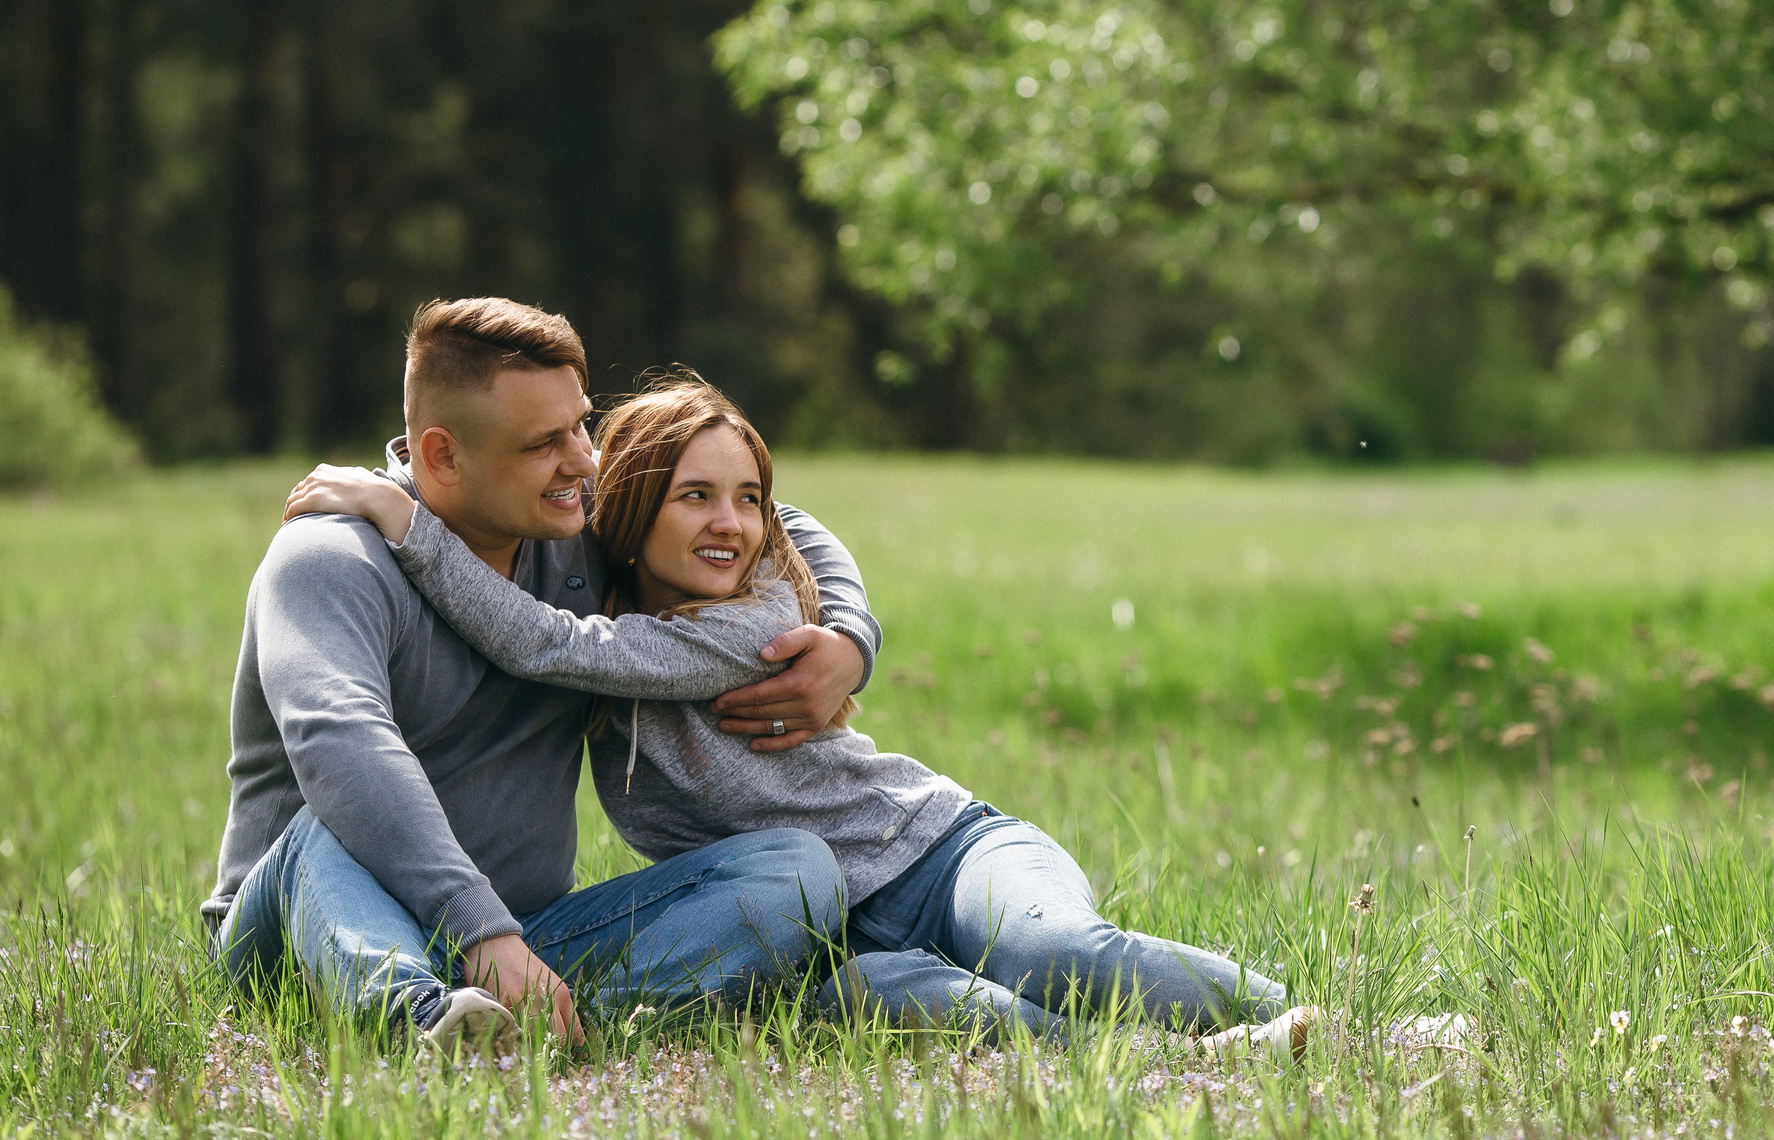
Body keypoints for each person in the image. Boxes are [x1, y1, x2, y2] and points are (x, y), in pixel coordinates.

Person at [289, 373, 1312, 1053]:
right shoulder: (596, 600)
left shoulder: (753, 622)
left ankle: (1303, 1022)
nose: (731, 522)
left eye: (747, 498)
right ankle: (1168, 1066)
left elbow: (547, 644)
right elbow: (563, 615)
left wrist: (404, 522)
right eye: (694, 497)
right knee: (950, 1015)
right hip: (827, 933)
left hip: (937, 853)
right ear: (634, 507)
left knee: (1051, 952)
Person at [210, 298, 873, 1056]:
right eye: (544, 444)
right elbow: (344, 747)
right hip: (306, 929)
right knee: (324, 826)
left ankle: (527, 1027)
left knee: (796, 869)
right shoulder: (329, 559)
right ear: (441, 457)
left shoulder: (569, 526)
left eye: (581, 424)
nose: (586, 461)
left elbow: (773, 516)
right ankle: (415, 1020)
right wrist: (476, 924)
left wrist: (852, 636)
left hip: (523, 939)